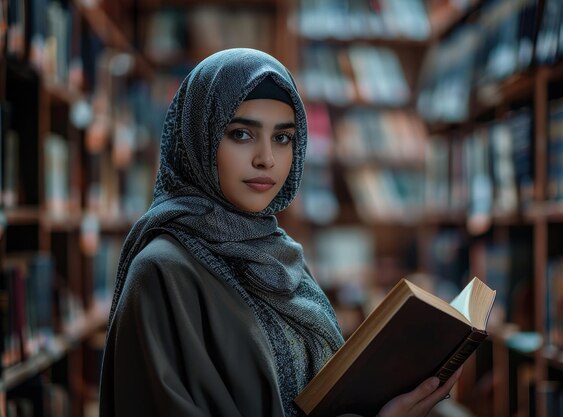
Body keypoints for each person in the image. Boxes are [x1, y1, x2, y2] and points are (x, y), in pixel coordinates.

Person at [99, 48, 461, 417]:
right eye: (241, 134)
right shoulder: (161, 271)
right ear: (198, 137)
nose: (266, 159)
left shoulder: (282, 256)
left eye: (283, 138)